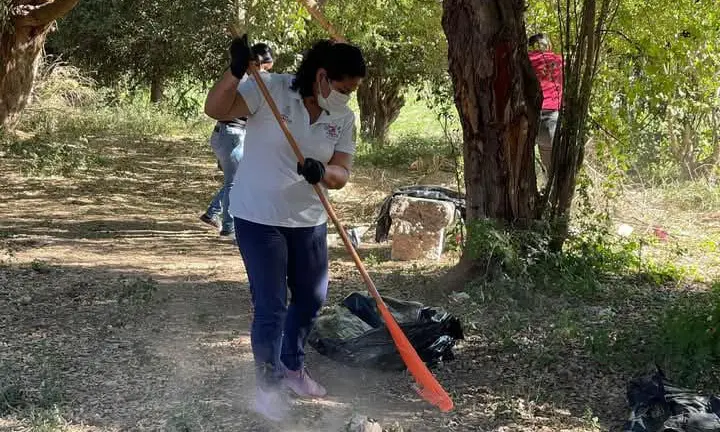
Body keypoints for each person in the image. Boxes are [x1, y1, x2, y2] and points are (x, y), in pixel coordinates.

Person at [204, 35, 366, 421]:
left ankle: (292, 367)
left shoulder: (342, 117)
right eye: (345, 88)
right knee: (272, 303)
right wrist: (236, 70)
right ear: (323, 77)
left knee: (311, 297)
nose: (349, 96)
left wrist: (322, 171)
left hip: (308, 219)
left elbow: (342, 172)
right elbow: (216, 108)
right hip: (258, 216)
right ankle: (268, 385)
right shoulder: (272, 89)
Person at [199, 43, 275, 238]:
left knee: (236, 179)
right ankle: (228, 226)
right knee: (235, 182)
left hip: (226, 135)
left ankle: (212, 213)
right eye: (264, 67)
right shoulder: (245, 80)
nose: (265, 72)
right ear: (256, 64)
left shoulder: (243, 79)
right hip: (230, 135)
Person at [528, 33, 563, 173]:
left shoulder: (524, 61)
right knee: (553, 173)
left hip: (529, 120)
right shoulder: (560, 62)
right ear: (548, 45)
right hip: (553, 122)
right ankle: (551, 192)